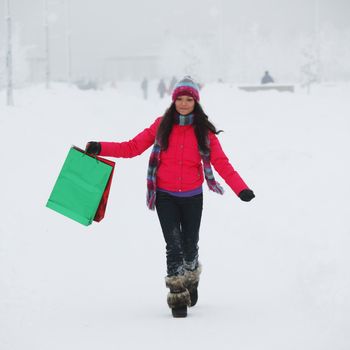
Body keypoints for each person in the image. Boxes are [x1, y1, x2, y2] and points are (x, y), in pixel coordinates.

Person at [85, 76, 255, 318]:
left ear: (195, 102)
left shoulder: (203, 132)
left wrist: (241, 189)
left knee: (189, 245)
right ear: (173, 100)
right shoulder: (161, 125)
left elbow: (221, 162)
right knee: (173, 246)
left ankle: (191, 278)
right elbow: (131, 147)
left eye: (189, 99)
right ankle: (177, 297)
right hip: (165, 197)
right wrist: (100, 147)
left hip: (192, 197)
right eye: (180, 99)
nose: (184, 104)